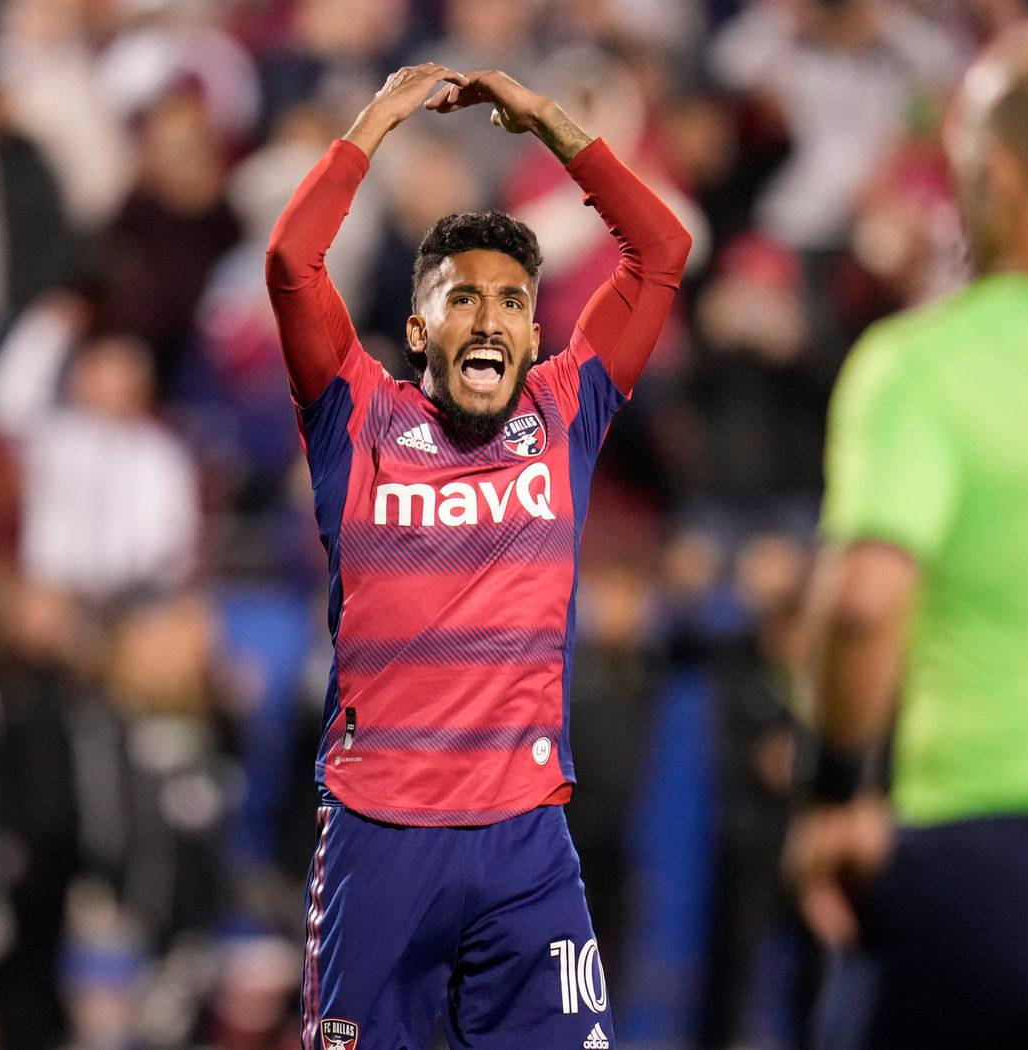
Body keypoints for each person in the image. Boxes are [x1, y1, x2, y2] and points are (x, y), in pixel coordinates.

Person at [265, 64, 691, 1048]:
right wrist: (374, 124)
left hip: (525, 847)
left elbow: (659, 248)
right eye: (462, 299)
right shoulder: (352, 415)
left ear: (534, 332)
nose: (489, 316)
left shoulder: (565, 409)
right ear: (418, 331)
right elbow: (292, 262)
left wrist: (547, 122)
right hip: (380, 842)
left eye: (510, 300)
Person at [782, 18, 1028, 1049]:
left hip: (986, 865)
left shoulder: (921, 368)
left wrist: (833, 795)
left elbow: (863, 603)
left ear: (999, 175)